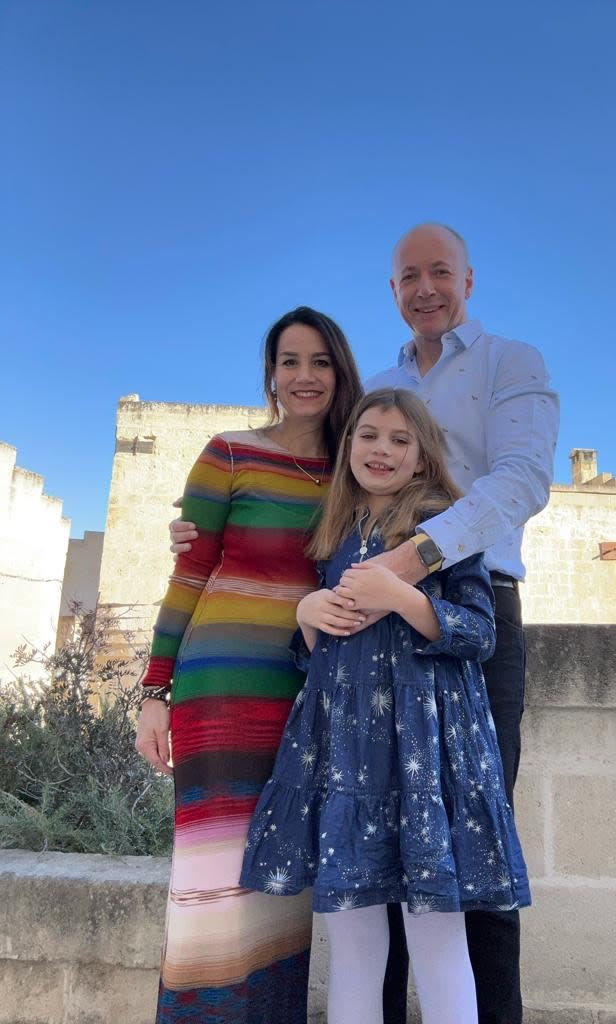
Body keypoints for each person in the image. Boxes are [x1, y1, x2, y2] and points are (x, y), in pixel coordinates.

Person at [171, 223, 560, 1023]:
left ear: (468, 279)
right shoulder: (378, 385)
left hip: (458, 618)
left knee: (465, 867)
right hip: (354, 647)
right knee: (364, 884)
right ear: (392, 290)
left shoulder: (510, 362)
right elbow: (325, 481)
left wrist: (410, 563)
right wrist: (199, 534)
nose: (426, 288)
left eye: (440, 272)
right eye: (409, 275)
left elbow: (521, 480)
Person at [240, 388, 531, 1024]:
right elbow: (314, 652)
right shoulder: (334, 531)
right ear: (348, 447)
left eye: (401, 440)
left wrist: (402, 595)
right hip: (347, 756)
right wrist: (306, 615)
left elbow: (480, 634)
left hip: (425, 753)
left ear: (423, 456)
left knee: (437, 937)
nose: (382, 449)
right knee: (353, 943)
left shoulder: (445, 531)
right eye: (369, 435)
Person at [135, 306, 363, 1024]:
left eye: (320, 361)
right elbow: (190, 574)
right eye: (289, 361)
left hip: (305, 694)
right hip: (220, 686)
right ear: (271, 375)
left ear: (340, 371)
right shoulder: (227, 452)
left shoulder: (357, 468)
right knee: (210, 877)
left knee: (280, 878)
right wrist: (153, 692)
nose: (304, 376)